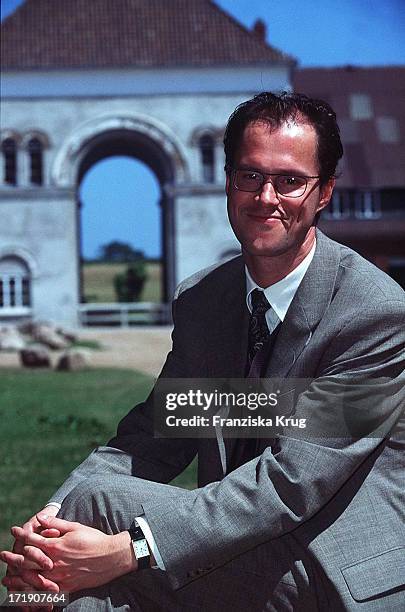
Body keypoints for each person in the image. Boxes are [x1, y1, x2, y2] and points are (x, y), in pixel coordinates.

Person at [1, 92, 404, 611]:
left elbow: (290, 483)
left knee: (93, 527)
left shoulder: (376, 314)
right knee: (72, 567)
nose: (266, 197)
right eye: (250, 176)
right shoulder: (205, 301)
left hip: (329, 569)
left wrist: (132, 549)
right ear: (227, 181)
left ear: (324, 192)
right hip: (231, 545)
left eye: (290, 181)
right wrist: (50, 521)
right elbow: (157, 434)